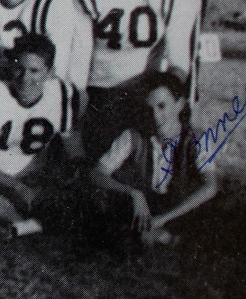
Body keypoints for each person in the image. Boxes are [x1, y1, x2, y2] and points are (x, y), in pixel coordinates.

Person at [74, 0, 200, 156]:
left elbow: (178, 60)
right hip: (101, 93)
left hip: (146, 94)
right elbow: (79, 53)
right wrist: (79, 100)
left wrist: (168, 106)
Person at [0, 34, 79, 240]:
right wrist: (14, 186)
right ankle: (28, 223)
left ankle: (16, 227)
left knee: (83, 192)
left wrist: (74, 170)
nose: (25, 78)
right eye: (19, 68)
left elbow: (71, 140)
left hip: (33, 178)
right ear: (10, 66)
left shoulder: (62, 94)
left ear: (51, 73)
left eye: (34, 71)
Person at [90, 71, 217, 249]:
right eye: (148, 109)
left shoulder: (196, 137)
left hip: (181, 208)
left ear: (179, 104)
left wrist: (164, 219)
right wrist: (133, 194)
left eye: (162, 106)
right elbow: (97, 173)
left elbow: (210, 187)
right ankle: (161, 237)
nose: (155, 115)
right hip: (148, 206)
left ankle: (161, 235)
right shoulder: (134, 136)